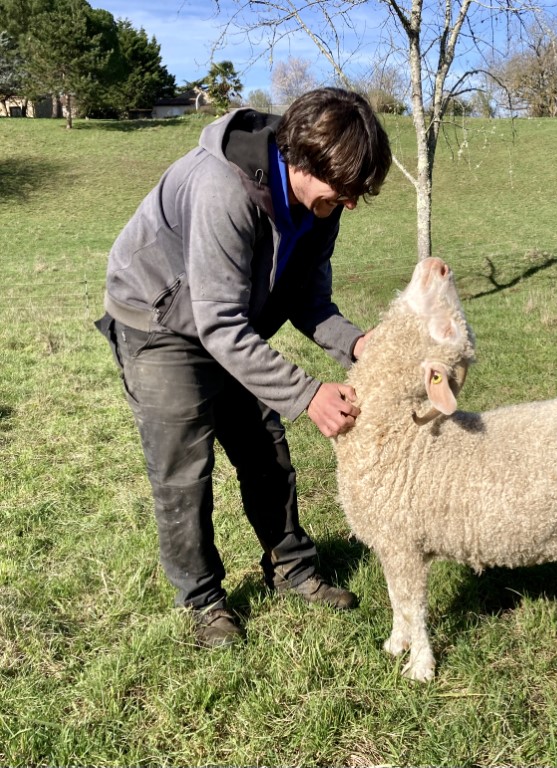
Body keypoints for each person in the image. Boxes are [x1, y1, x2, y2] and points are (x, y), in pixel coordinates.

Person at [95, 88, 392, 648]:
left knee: (264, 447)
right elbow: (220, 325)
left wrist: (358, 346)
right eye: (343, 190)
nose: (350, 204)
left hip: (223, 317)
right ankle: (204, 602)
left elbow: (309, 302)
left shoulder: (321, 204)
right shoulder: (223, 190)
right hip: (157, 320)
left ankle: (293, 569)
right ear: (302, 159)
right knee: (184, 470)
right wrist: (308, 394)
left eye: (358, 193)